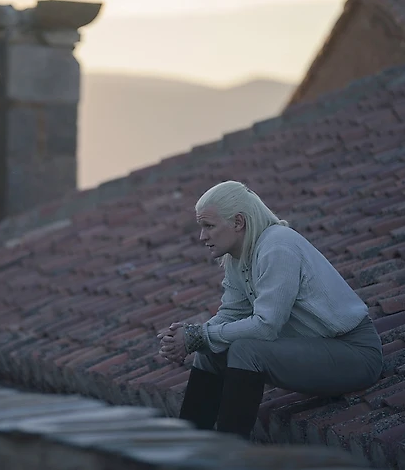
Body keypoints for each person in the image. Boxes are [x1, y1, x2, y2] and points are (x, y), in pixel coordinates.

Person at [158, 180, 383, 439]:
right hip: (314, 349)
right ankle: (188, 446)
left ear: (238, 222)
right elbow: (230, 315)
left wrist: (198, 335)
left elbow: (266, 326)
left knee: (244, 350)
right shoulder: (237, 258)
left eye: (209, 226)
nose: (202, 236)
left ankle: (228, 453)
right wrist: (190, 338)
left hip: (355, 354)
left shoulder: (278, 246)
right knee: (210, 351)